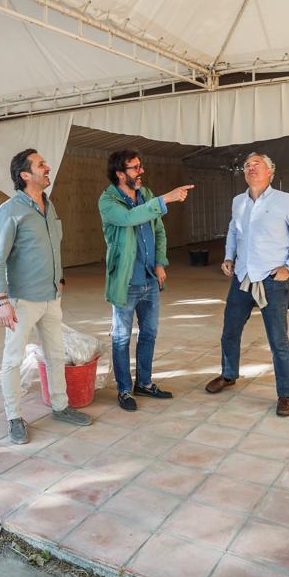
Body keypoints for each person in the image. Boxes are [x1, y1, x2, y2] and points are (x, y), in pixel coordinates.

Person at [0, 149, 91, 444]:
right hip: (21, 301)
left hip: (51, 296)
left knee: (56, 354)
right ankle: (14, 417)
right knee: (13, 359)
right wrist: (1, 300)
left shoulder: (49, 205)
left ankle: (60, 406)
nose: (48, 168)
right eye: (41, 164)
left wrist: (59, 281)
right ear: (25, 175)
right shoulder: (10, 211)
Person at [207, 153, 289, 416]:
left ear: (270, 172)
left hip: (272, 280)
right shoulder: (238, 202)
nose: (250, 168)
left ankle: (286, 394)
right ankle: (229, 374)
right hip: (243, 277)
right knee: (229, 331)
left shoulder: (285, 201)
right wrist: (229, 256)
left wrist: (288, 267)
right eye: (247, 165)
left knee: (278, 339)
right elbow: (234, 231)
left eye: (257, 165)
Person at [98, 150, 194, 411]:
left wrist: (160, 262)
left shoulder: (146, 194)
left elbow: (158, 231)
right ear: (120, 173)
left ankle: (145, 383)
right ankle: (125, 390)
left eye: (141, 166)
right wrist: (167, 198)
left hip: (150, 279)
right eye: (135, 168)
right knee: (121, 338)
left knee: (149, 334)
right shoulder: (108, 201)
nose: (141, 171)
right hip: (126, 281)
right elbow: (130, 218)